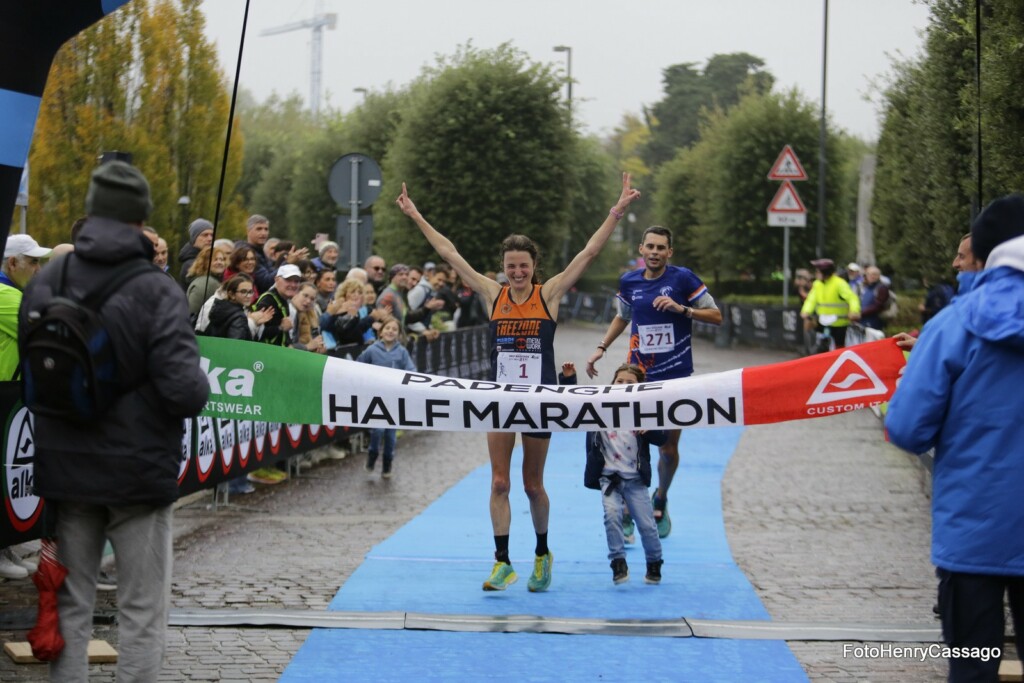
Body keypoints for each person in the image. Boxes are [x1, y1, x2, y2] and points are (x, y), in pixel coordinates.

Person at [396, 172, 640, 593]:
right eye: (511, 267)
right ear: (504, 268)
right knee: (499, 482)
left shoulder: (549, 295)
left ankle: (543, 553)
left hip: (539, 403)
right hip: (500, 403)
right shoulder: (493, 294)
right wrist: (416, 216)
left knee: (531, 485)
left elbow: (589, 251)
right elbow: (449, 253)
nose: (517, 273)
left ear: (533, 267)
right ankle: (502, 561)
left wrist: (617, 210)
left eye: (523, 266)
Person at [19, 160, 209, 680]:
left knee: (72, 604)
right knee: (142, 611)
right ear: (139, 219)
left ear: (92, 209)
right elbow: (183, 391)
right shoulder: (156, 288)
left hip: (65, 470)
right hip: (138, 474)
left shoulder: (47, 278)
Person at [886, 193, 1024, 682]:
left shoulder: (953, 324)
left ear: (986, 256)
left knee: (973, 672)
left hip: (973, 533)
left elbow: (905, 428)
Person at [585, 224, 723, 539]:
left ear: (669, 252)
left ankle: (660, 496)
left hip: (675, 377)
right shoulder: (629, 281)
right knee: (630, 442)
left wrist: (682, 309)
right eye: (651, 246)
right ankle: (629, 506)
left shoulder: (683, 279)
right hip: (638, 378)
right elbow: (623, 316)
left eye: (661, 247)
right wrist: (601, 348)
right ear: (641, 250)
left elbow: (716, 315)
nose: (655, 252)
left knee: (668, 448)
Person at [563, 361, 665, 586]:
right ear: (612, 383)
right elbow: (572, 405)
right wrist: (569, 378)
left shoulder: (644, 411)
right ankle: (618, 561)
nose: (624, 386)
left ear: (640, 387)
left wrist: (652, 430)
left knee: (646, 525)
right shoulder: (600, 407)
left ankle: (654, 561)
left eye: (630, 383)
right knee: (611, 518)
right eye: (620, 382)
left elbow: (662, 438)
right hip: (608, 478)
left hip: (635, 479)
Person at [355, 316, 416, 478]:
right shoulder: (372, 350)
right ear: (380, 332)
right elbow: (358, 365)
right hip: (376, 399)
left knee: (390, 435)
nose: (390, 331)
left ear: (398, 334)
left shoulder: (401, 352)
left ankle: (387, 464)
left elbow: (412, 370)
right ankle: (372, 456)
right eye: (387, 328)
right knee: (377, 430)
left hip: (394, 400)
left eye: (394, 329)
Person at [0, 234, 51, 381]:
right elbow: (46, 331)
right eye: (33, 262)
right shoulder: (4, 294)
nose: (39, 270)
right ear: (12, 263)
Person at [800, 258, 861, 350]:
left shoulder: (839, 283)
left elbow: (852, 298)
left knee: (839, 349)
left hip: (839, 323)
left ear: (825, 272)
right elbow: (811, 299)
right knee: (821, 348)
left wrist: (854, 311)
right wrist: (806, 311)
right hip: (823, 321)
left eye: (818, 271)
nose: (816, 274)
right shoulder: (817, 284)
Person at [252, 263, 302, 348]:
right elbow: (256, 332)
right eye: (288, 280)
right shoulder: (268, 300)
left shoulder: (283, 299)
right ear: (276, 279)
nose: (293, 285)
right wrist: (280, 327)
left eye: (296, 281)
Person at [185, 244, 229, 319]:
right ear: (204, 263)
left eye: (221, 259)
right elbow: (192, 312)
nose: (219, 262)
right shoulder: (206, 283)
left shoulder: (213, 281)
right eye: (215, 259)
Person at [178, 218, 213, 285]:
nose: (210, 239)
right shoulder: (190, 264)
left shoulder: (212, 259)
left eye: (212, 235)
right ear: (194, 238)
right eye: (205, 235)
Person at [858, 265, 891, 332]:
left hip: (875, 322)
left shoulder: (882, 288)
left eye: (874, 274)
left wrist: (860, 313)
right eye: (869, 274)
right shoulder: (864, 287)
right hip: (863, 321)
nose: (871, 276)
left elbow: (878, 306)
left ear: (879, 276)